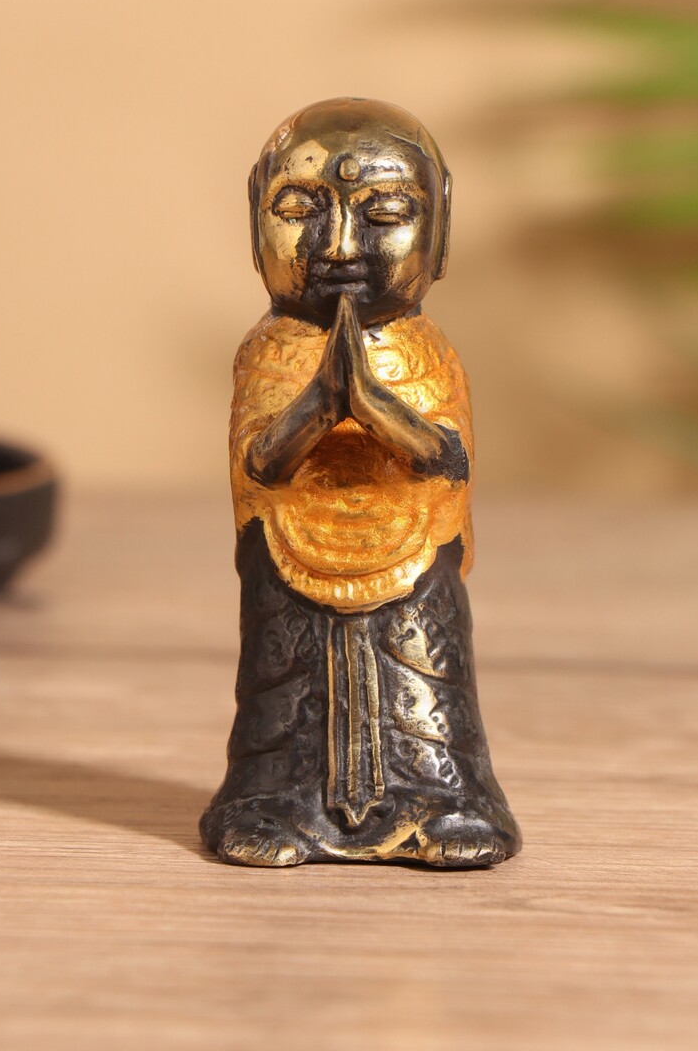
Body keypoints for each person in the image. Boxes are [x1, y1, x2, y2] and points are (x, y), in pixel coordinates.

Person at [200, 97, 521, 867]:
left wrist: (374, 408)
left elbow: (446, 459)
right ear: (255, 215)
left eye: (383, 213)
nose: (340, 244)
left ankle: (446, 805)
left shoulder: (426, 349)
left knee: (425, 688)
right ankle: (271, 806)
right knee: (284, 690)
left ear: (441, 225)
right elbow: (260, 463)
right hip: (291, 564)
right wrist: (319, 405)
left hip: (412, 567)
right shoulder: (270, 350)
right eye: (300, 210)